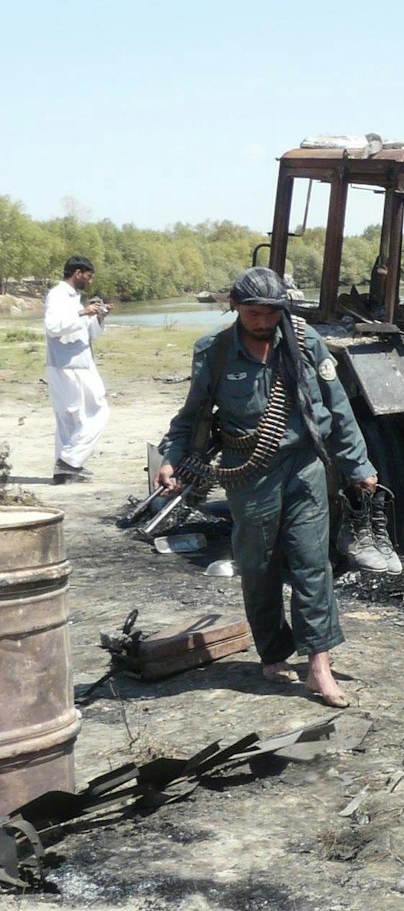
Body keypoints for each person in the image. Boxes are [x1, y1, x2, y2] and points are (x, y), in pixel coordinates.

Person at [155, 267, 378, 708]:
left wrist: (359, 466)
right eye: (253, 314)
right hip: (248, 472)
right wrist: (171, 458)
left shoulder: (306, 342)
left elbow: (339, 409)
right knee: (258, 566)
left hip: (304, 465)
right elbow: (192, 415)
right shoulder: (215, 351)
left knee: (312, 563)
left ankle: (319, 666)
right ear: (235, 307)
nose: (262, 322)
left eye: (271, 314)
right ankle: (273, 652)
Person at [43, 256, 110, 484]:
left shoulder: (74, 298)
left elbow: (88, 333)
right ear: (77, 273)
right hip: (70, 365)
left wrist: (98, 316)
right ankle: (69, 461)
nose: (90, 281)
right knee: (98, 412)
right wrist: (83, 313)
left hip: (75, 362)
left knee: (69, 419)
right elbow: (53, 327)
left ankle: (64, 471)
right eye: (88, 276)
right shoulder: (58, 295)